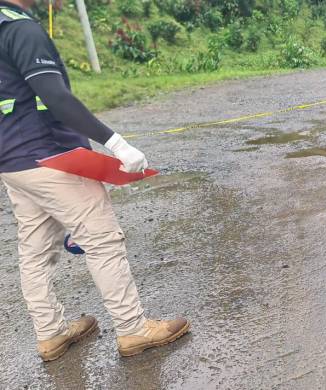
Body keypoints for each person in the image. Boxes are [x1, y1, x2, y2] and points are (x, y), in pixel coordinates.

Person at [0, 0, 189, 361]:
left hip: (12, 162)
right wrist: (115, 142)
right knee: (102, 238)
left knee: (35, 250)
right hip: (50, 156)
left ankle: (51, 334)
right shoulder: (21, 29)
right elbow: (54, 96)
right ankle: (133, 329)